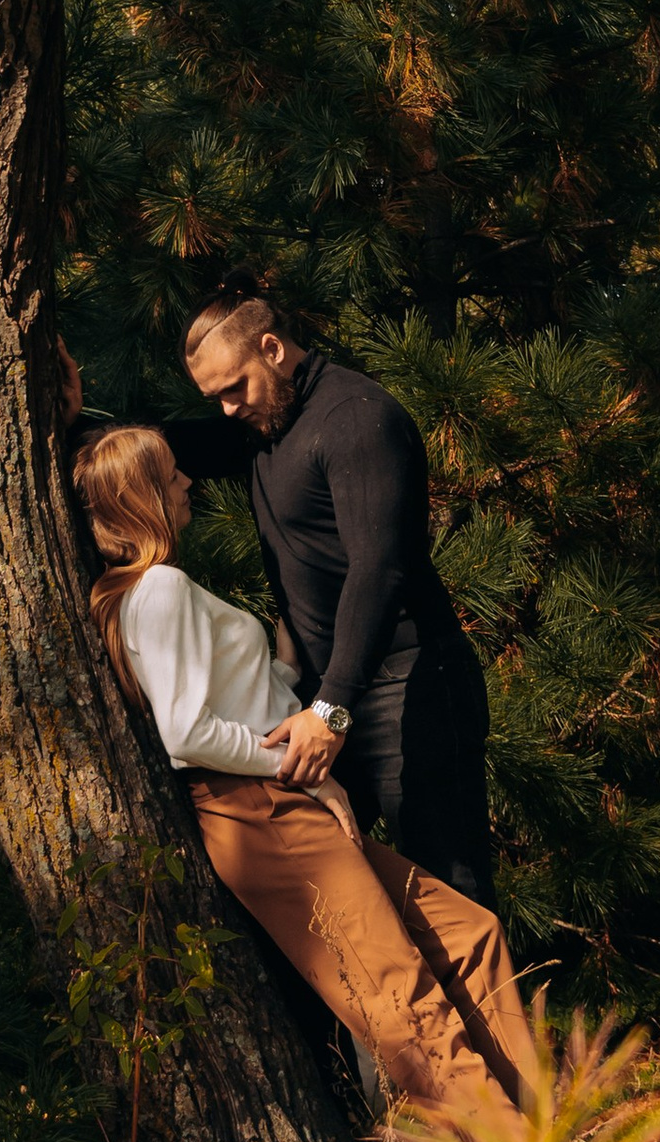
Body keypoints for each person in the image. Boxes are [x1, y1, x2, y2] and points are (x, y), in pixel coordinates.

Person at [71, 421, 660, 1142]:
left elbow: (241, 691)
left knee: (469, 934)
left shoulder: (152, 592)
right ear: (143, 493)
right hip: (263, 814)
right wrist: (300, 765)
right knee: (403, 999)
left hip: (275, 805)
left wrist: (288, 658)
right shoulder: (158, 591)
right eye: (174, 477)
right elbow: (186, 735)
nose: (190, 485)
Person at [158, 281, 497, 909]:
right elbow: (173, 446)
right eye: (215, 398)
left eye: (235, 388)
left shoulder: (356, 419)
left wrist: (332, 710)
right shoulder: (266, 423)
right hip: (322, 699)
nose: (228, 409)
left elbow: (380, 571)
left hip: (408, 688)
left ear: (272, 348)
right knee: (338, 903)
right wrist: (73, 419)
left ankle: (491, 1011)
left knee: (452, 896)